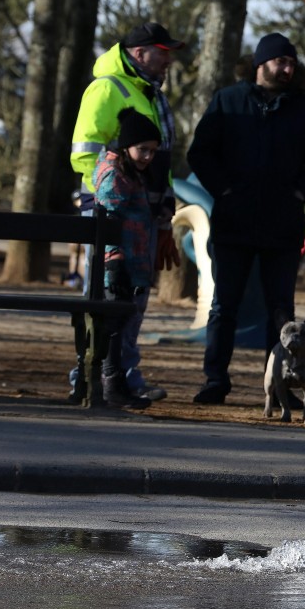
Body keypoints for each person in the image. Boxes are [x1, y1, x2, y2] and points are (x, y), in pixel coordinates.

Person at [187, 32, 305, 404]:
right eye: (280, 62)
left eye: (291, 63)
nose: (287, 69)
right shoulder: (228, 101)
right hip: (233, 223)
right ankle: (215, 380)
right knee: (224, 306)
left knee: (281, 310)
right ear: (260, 63)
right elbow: (200, 153)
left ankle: (283, 386)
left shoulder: (302, 108)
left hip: (282, 226)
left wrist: (299, 192)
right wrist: (224, 190)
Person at [68, 21, 185, 404]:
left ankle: (123, 376)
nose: (168, 59)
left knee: (134, 298)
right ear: (139, 53)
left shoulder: (152, 93)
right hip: (112, 214)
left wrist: (163, 210)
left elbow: (161, 161)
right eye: (162, 52)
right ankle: (88, 376)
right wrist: (112, 198)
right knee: (104, 296)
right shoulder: (107, 88)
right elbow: (86, 153)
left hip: (144, 214)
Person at [91, 109, 168, 409]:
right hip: (119, 265)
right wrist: (115, 263)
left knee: (121, 323)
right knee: (113, 322)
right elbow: (109, 220)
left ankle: (116, 380)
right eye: (143, 149)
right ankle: (110, 383)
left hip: (132, 264)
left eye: (153, 151)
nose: (148, 156)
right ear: (126, 146)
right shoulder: (115, 175)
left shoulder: (130, 172)